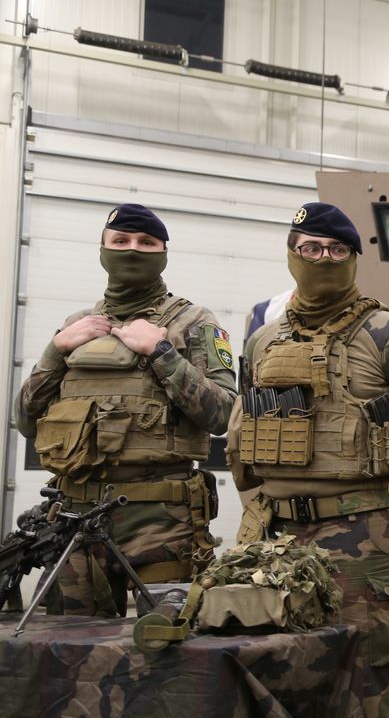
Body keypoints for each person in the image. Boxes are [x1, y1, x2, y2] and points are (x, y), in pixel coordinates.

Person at [227, 202, 389, 718]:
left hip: (365, 543)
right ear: (292, 255)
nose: (323, 259)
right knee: (287, 683)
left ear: (355, 259)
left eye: (336, 251)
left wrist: (380, 508)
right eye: (310, 248)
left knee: (371, 692)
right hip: (278, 545)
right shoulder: (263, 341)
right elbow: (241, 439)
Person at [14, 203, 234, 615]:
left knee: (166, 648)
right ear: (103, 249)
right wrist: (57, 348)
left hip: (160, 521)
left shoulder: (194, 322)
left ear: (163, 252)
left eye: (146, 242)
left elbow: (224, 414)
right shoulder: (76, 325)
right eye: (121, 241)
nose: (132, 250)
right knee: (73, 653)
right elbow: (25, 420)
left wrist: (161, 351)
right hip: (75, 520)